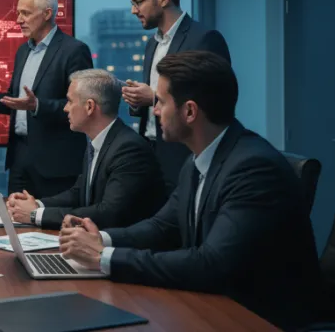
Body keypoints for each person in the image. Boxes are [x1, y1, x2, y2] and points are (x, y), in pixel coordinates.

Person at [59, 51, 319, 330]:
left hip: (257, 318)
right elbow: (162, 226)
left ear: (190, 111)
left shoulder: (252, 169)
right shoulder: (198, 159)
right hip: (214, 304)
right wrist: (103, 239)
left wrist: (103, 258)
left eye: (160, 101)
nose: (155, 110)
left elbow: (211, 263)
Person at [0, 0, 93, 198]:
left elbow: (82, 105)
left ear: (47, 14)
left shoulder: (74, 50)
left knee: (51, 226)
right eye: (18, 13)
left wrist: (37, 106)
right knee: (16, 220)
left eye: (25, 13)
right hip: (20, 158)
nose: (18, 20)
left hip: (56, 163)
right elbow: (17, 101)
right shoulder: (23, 51)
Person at [5, 69, 164, 229]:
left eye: (70, 101)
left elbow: (108, 213)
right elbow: (79, 193)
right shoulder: (98, 141)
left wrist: (35, 215)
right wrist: (37, 204)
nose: (66, 108)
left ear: (89, 106)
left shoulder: (129, 149)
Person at [120, 0, 230, 194]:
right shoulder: (152, 44)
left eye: (138, 2)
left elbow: (214, 102)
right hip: (151, 154)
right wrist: (137, 101)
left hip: (184, 156)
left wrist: (153, 98)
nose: (133, 10)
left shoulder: (204, 39)